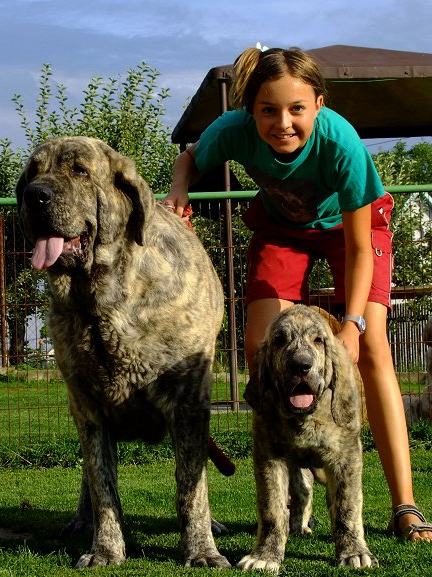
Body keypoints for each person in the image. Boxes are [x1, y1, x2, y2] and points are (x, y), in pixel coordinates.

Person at [162, 45, 432, 542]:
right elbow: (188, 161)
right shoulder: (232, 131)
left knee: (371, 350)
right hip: (283, 229)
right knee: (262, 347)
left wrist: (352, 325)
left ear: (319, 106)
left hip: (351, 232)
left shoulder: (341, 144)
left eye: (296, 109)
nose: (282, 123)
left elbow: (356, 249)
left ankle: (405, 507)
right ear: (251, 111)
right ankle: (296, 466)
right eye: (268, 110)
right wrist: (180, 188)